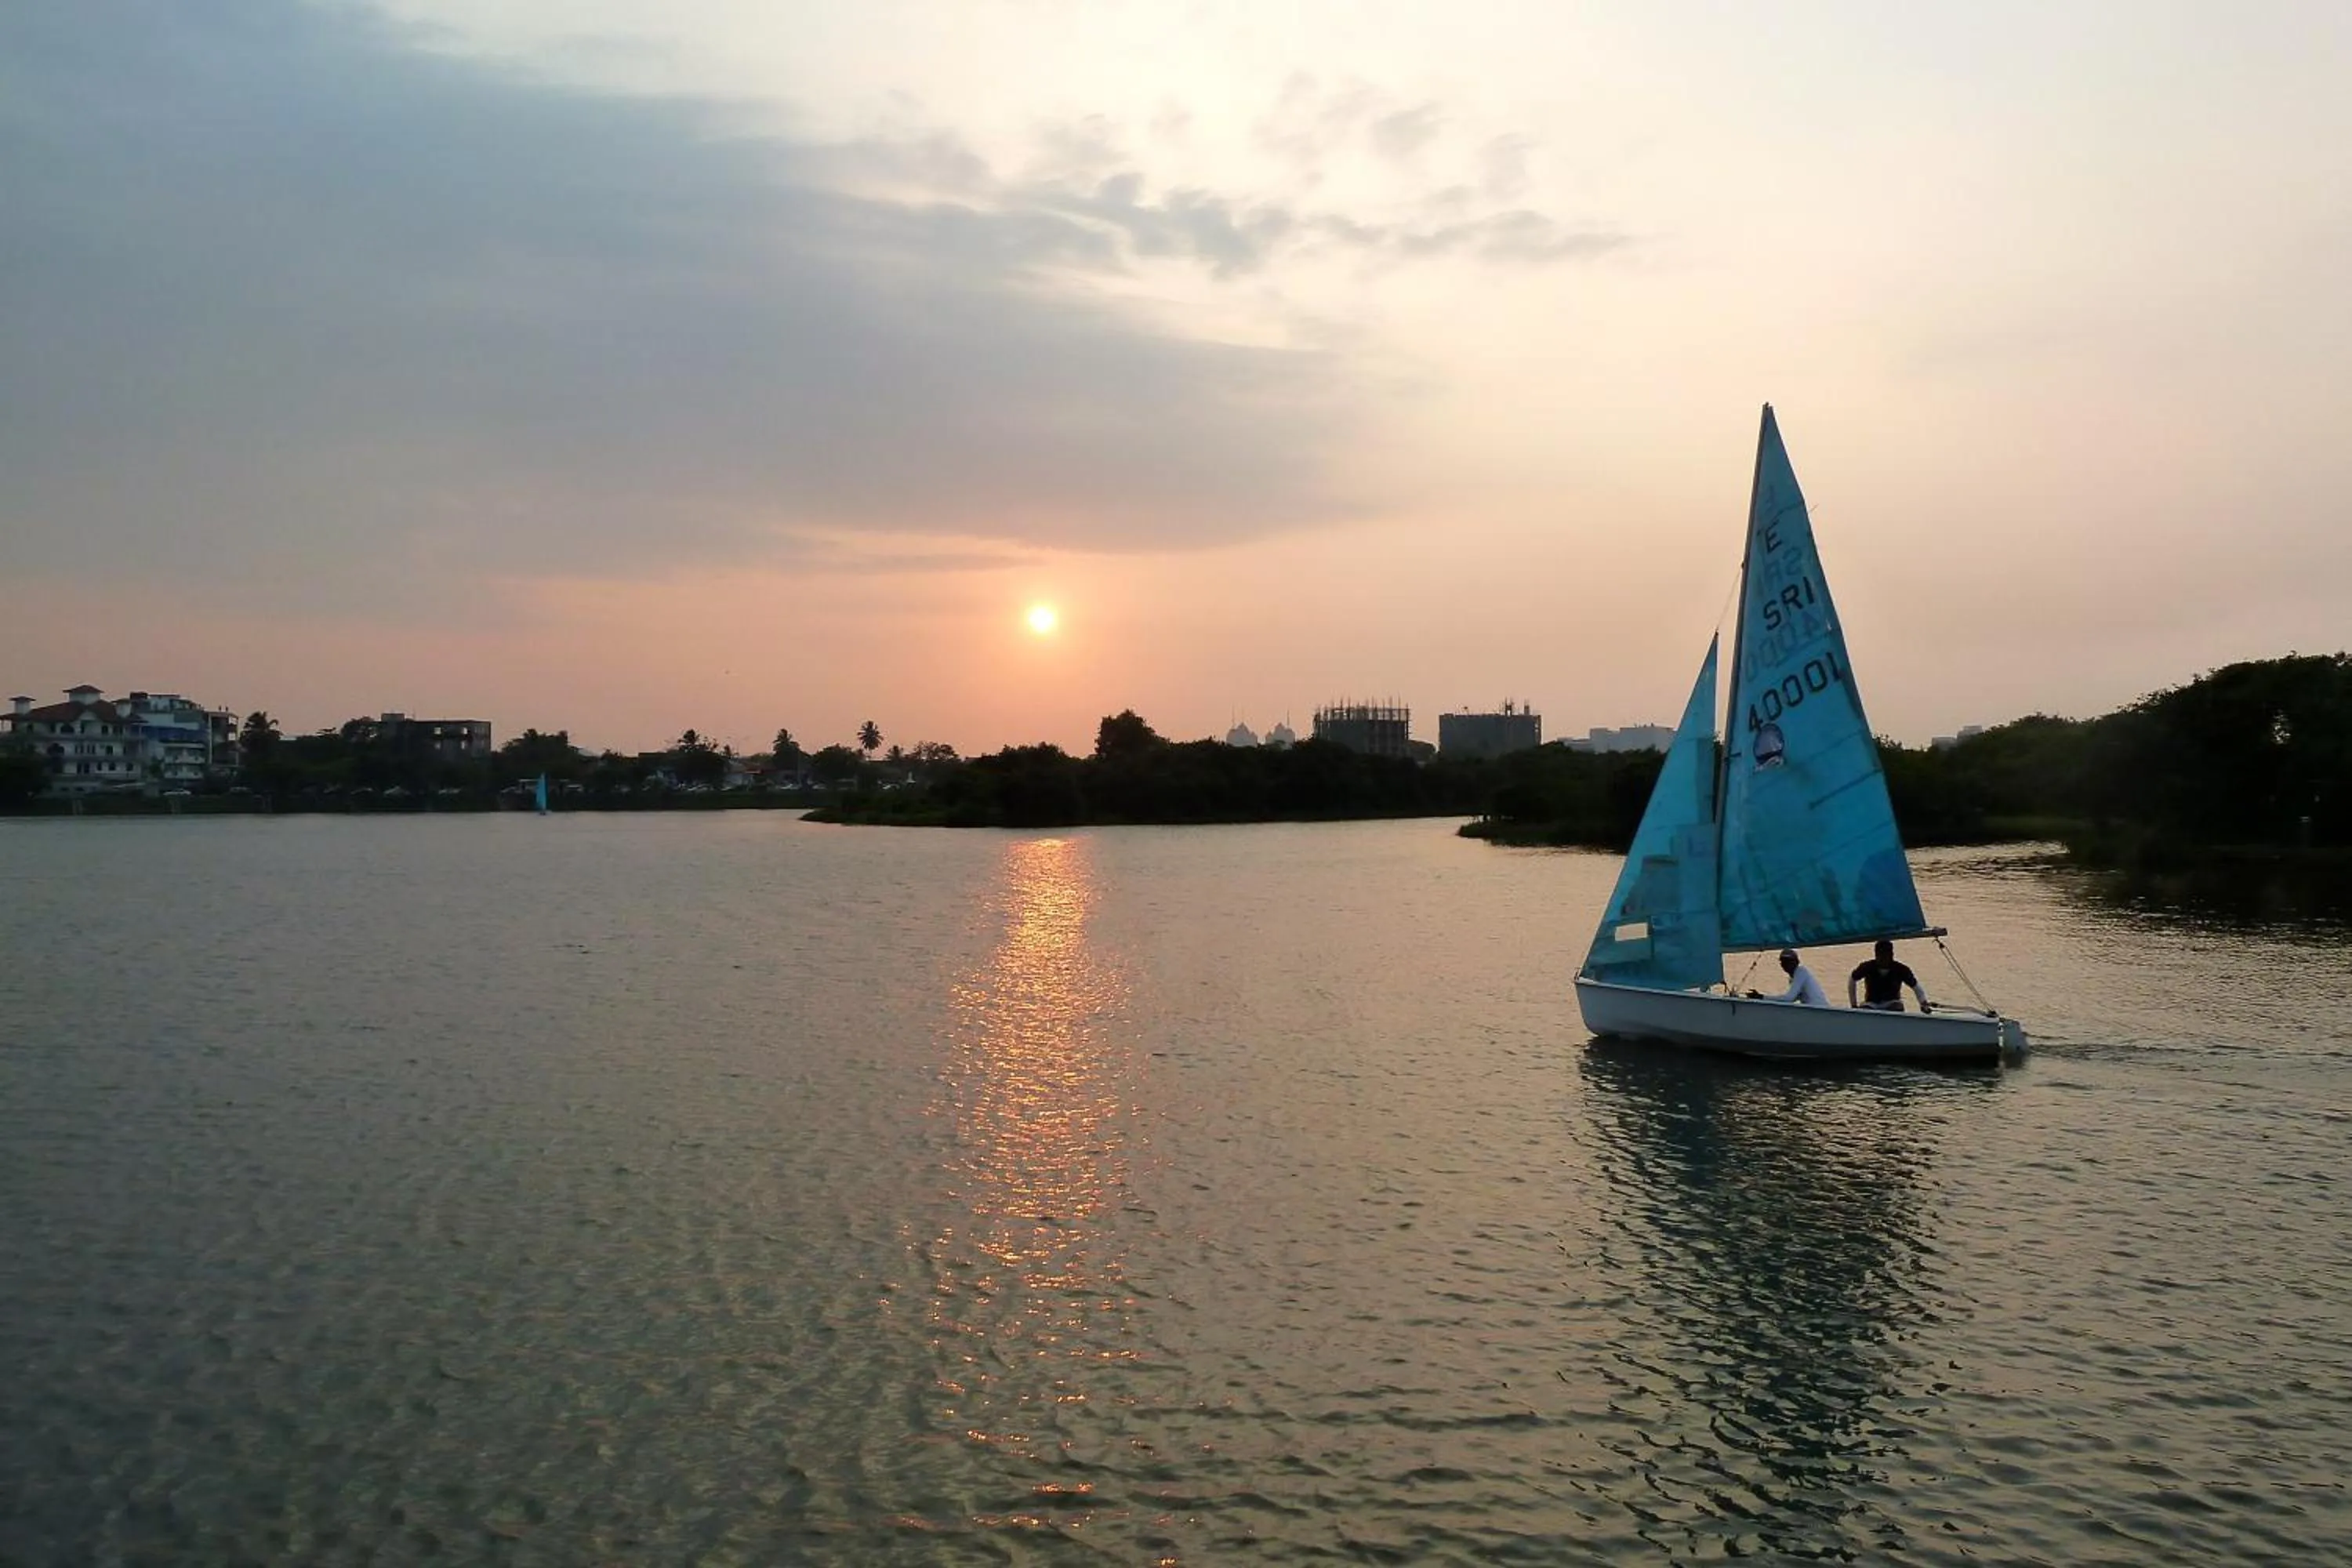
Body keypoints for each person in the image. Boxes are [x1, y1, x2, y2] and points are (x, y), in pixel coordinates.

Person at [1848, 938, 1933, 1013]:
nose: (1883, 958)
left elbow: (1916, 987)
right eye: (1880, 955)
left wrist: (1923, 1004)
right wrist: (1854, 1005)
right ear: (1876, 955)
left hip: (1892, 1002)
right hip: (1871, 1004)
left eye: (1886, 955)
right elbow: (1852, 979)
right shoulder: (1867, 967)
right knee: (1865, 1010)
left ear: (1892, 955)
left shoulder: (1901, 969)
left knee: (1897, 1006)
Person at [1745, 948, 1826, 1005]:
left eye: (1788, 962)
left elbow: (1789, 999)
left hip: (1819, 1010)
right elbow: (1792, 999)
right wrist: (1762, 997)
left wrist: (1762, 997)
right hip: (1814, 1011)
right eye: (1783, 962)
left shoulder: (1801, 971)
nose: (1785, 965)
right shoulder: (1794, 977)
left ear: (1797, 962)